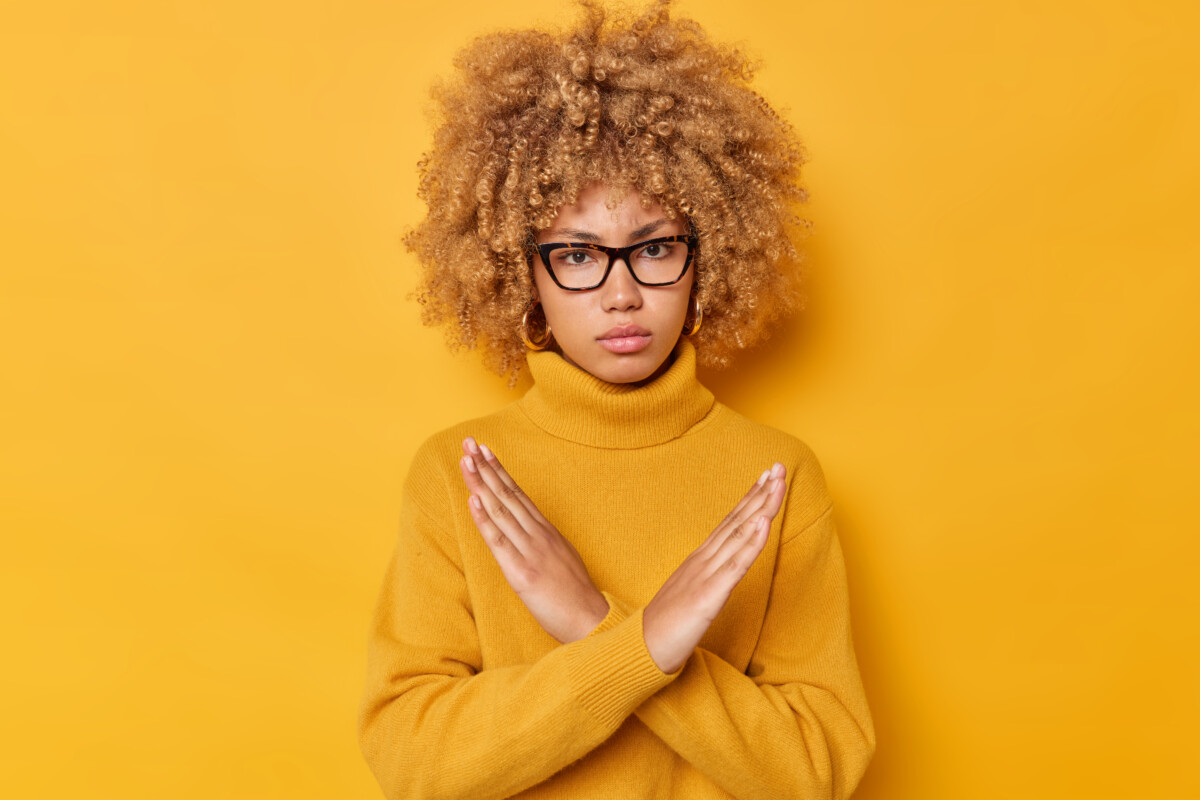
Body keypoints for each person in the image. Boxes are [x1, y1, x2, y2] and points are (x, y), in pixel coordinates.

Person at [357, 1, 876, 797]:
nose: (622, 292)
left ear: (711, 252)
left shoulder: (776, 478)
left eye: (656, 246)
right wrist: (639, 645)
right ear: (518, 268)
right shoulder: (460, 474)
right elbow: (412, 761)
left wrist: (595, 626)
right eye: (575, 254)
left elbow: (819, 769)